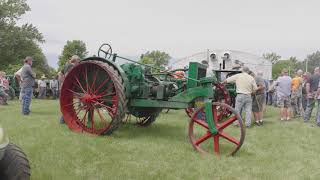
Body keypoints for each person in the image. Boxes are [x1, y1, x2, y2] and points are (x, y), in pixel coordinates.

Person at [59, 55, 80, 123]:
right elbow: (68, 75)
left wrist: (62, 82)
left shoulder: (66, 65)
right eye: (78, 61)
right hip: (67, 88)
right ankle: (62, 120)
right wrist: (65, 83)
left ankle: (63, 120)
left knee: (67, 104)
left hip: (65, 87)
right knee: (67, 104)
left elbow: (59, 73)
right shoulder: (71, 66)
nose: (79, 63)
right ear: (75, 61)